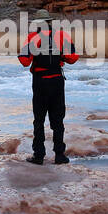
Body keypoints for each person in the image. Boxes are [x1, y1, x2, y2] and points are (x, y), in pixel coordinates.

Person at [18, 9, 78, 164]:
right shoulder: (62, 36)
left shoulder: (32, 37)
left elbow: (24, 61)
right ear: (50, 22)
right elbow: (73, 58)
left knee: (39, 119)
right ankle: (60, 155)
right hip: (57, 80)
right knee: (58, 119)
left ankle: (38, 156)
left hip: (40, 82)